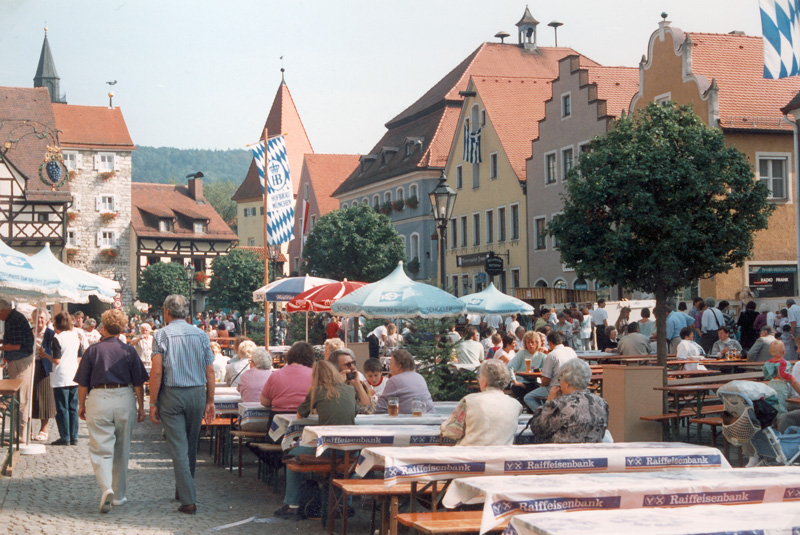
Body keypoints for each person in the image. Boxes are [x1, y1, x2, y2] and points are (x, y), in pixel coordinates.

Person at [75, 309, 148, 513]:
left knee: (100, 447)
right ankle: (119, 495)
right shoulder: (129, 351)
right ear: (123, 328)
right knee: (122, 449)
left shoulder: (92, 351)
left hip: (99, 397)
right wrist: (141, 406)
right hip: (124, 397)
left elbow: (82, 383)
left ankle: (106, 487)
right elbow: (139, 382)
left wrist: (81, 404)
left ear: (103, 328)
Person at [148, 294, 215, 515]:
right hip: (197, 393)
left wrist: (153, 401)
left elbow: (157, 371)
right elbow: (210, 370)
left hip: (172, 394)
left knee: (178, 446)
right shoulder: (201, 335)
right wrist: (210, 400)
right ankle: (184, 488)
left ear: (167, 312)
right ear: (185, 312)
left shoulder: (161, 335)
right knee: (191, 445)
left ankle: (188, 500)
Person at [274, 360, 357, 520]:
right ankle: (345, 503)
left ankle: (292, 505)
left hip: (328, 448)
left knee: (292, 455)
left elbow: (300, 414)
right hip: (348, 447)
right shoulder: (349, 389)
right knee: (350, 461)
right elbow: (355, 411)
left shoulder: (318, 390)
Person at [527, 358, 609, 443]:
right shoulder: (602, 403)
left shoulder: (561, 404)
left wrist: (549, 403)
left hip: (563, 453)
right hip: (592, 453)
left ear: (567, 383)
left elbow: (538, 429)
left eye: (560, 380)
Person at [441, 360, 522, 445]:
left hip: (470, 455)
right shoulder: (516, 405)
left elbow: (451, 432)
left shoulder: (469, 400)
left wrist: (443, 427)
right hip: (502, 456)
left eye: (479, 377)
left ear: (484, 380)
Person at [0, 300, 35, 442]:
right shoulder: (13, 318)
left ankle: (21, 436)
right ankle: (21, 434)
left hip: (21, 362)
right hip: (18, 361)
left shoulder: (14, 319)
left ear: (4, 310)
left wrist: (1, 348)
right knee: (20, 399)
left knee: (21, 399)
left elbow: (15, 346)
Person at [523, 332, 578, 412]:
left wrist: (541, 385)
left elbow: (546, 379)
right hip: (572, 386)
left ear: (550, 343)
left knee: (528, 397)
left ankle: (542, 414)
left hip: (556, 387)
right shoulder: (571, 351)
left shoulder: (552, 355)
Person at [49, 312, 81, 446]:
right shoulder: (76, 337)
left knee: (62, 408)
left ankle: (65, 436)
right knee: (73, 407)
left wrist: (45, 355)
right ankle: (74, 436)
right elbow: (80, 357)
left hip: (61, 375)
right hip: (74, 374)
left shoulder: (57, 338)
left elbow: (56, 360)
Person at [260, 341, 314, 414]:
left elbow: (264, 401)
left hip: (278, 418)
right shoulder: (315, 375)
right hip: (307, 417)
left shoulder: (276, 375)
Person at [375, 349, 435, 414]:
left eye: (391, 364)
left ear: (399, 366)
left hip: (410, 422)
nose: (389, 367)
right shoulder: (420, 377)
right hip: (430, 418)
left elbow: (379, 409)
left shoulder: (394, 380)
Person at [31, 309, 57, 442]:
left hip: (45, 368)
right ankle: (27, 429)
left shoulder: (51, 334)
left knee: (44, 398)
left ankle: (43, 429)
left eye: (41, 318)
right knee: (29, 398)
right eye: (36, 317)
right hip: (30, 367)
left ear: (47, 319)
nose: (39, 320)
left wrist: (46, 354)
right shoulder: (29, 333)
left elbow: (57, 354)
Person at [507, 331, 546, 405]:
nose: (530, 345)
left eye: (532, 342)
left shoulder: (542, 356)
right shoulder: (521, 353)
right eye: (528, 342)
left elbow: (547, 370)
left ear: (537, 343)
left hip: (534, 382)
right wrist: (515, 382)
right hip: (521, 382)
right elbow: (509, 366)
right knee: (521, 391)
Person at [763, 340, 800, 413]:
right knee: (781, 404)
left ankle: (773, 417)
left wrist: (773, 376)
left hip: (772, 383)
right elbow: (783, 374)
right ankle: (780, 416)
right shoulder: (784, 363)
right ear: (783, 352)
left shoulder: (768, 363)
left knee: (772, 402)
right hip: (781, 385)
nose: (797, 351)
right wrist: (790, 378)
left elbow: (766, 374)